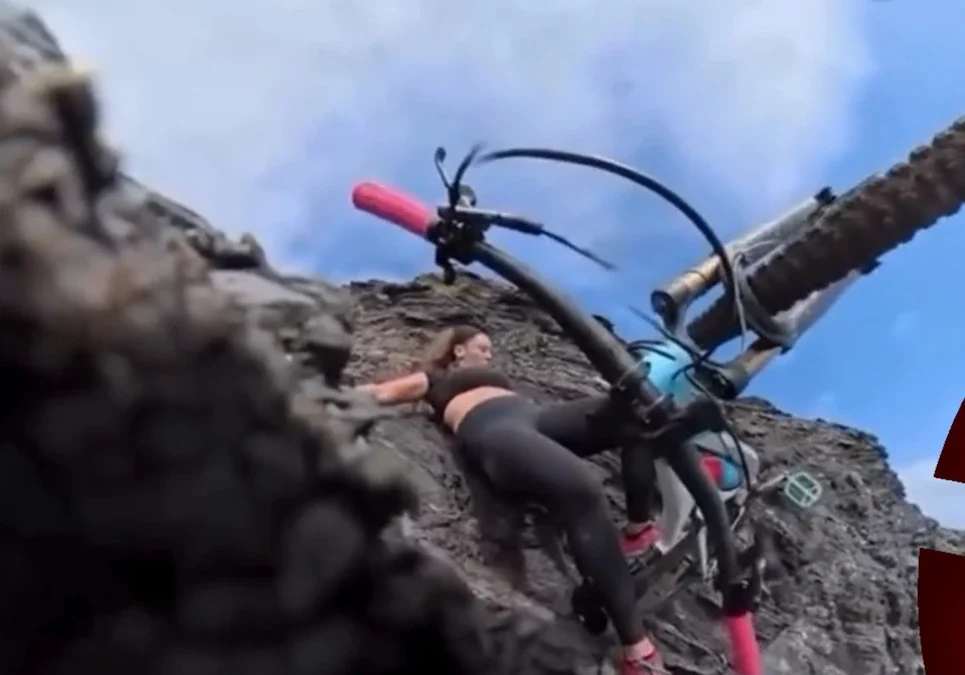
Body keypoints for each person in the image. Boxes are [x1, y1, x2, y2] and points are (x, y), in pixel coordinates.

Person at [355, 324, 666, 675]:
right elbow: (381, 393)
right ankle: (636, 651)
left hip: (534, 418)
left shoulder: (498, 380)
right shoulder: (435, 378)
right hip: (494, 431)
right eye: (482, 347)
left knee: (639, 418)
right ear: (458, 350)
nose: (490, 354)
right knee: (582, 490)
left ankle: (639, 528)